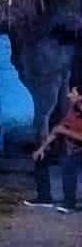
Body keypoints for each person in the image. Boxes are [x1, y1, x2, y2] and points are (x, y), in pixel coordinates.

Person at [29, 83, 82, 213]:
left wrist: (66, 132)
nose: (68, 95)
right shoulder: (74, 109)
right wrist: (42, 149)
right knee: (41, 158)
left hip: (78, 149)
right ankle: (44, 198)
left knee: (68, 162)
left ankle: (69, 203)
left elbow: (64, 130)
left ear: (80, 97)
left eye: (72, 93)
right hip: (73, 148)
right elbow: (57, 129)